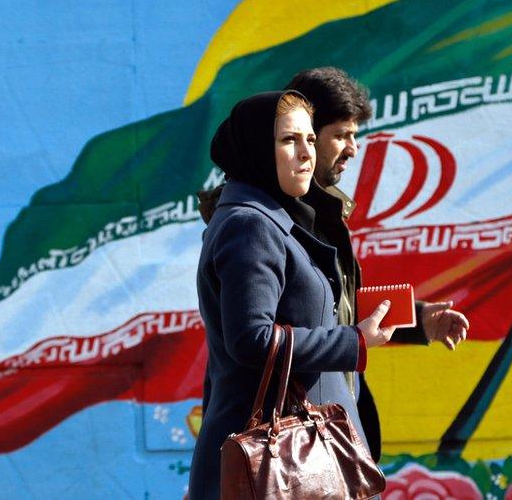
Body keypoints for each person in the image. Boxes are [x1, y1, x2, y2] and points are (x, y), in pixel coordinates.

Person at [189, 90, 395, 499]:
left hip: (297, 462)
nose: (306, 154)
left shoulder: (274, 218)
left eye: (310, 140)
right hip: (279, 463)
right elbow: (252, 338)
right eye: (288, 140)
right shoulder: (250, 225)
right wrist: (351, 341)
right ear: (255, 148)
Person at [285, 67, 470, 461]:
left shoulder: (324, 211)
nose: (353, 148)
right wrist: (354, 341)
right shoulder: (265, 220)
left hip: (327, 435)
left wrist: (418, 321)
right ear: (307, 136)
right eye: (341, 135)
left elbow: (329, 311)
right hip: (291, 446)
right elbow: (259, 338)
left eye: (355, 135)